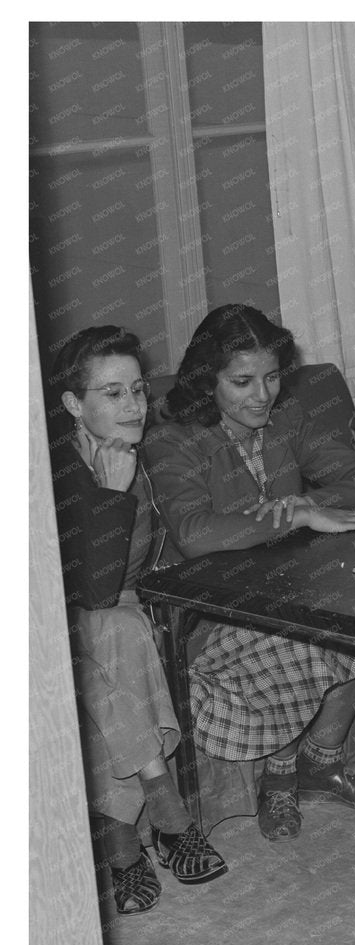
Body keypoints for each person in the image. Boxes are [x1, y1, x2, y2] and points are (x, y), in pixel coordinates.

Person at [141, 304, 355, 842]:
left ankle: (320, 762)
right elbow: (195, 534)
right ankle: (279, 777)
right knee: (301, 633)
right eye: (242, 381)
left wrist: (307, 500)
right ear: (205, 380)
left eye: (272, 376)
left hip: (291, 587)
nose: (262, 394)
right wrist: (297, 515)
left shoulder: (286, 420)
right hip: (207, 613)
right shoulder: (173, 439)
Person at [48, 326, 228, 914]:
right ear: (75, 405)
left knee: (122, 633)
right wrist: (110, 495)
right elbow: (93, 591)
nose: (133, 407)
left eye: (138, 391)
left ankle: (119, 840)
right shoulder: (54, 473)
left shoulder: (140, 449)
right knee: (116, 629)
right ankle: (167, 813)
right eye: (112, 394)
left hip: (121, 614)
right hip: (52, 622)